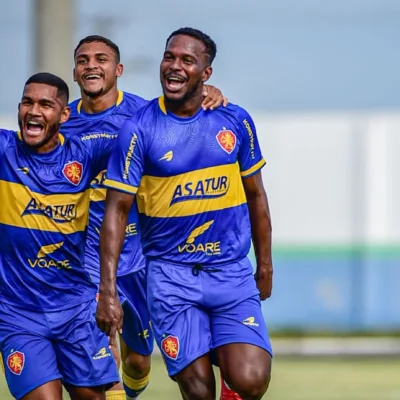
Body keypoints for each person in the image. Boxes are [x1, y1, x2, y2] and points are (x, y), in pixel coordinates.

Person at [97, 27, 273, 400]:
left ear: (206, 74)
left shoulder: (234, 121)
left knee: (252, 379)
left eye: (187, 60)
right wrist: (107, 290)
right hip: (170, 277)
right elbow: (116, 211)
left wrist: (265, 265)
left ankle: (229, 369)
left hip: (230, 272)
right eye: (169, 57)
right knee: (197, 389)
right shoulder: (139, 129)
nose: (174, 66)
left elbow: (256, 195)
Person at [61, 34, 228, 400]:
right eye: (83, 60)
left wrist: (209, 93)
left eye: (101, 59)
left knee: (137, 361)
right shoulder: (61, 121)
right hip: (87, 256)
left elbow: (188, 123)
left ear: (117, 70)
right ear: (74, 72)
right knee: (102, 353)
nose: (91, 65)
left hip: (139, 257)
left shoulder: (142, 115)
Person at [0, 73, 120, 400]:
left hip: (75, 309)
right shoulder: (3, 150)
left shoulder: (85, 155)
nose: (33, 111)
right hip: (17, 313)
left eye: (45, 104)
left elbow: (149, 134)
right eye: (27, 102)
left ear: (64, 115)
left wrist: (201, 98)